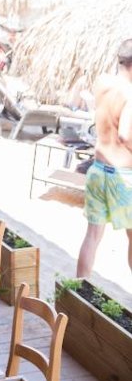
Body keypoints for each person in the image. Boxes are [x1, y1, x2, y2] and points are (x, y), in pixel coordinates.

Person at [76, 39, 132, 278]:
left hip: (98, 169)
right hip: (122, 176)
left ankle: (78, 288)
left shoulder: (102, 83)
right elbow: (125, 135)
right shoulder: (129, 93)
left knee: (92, 236)